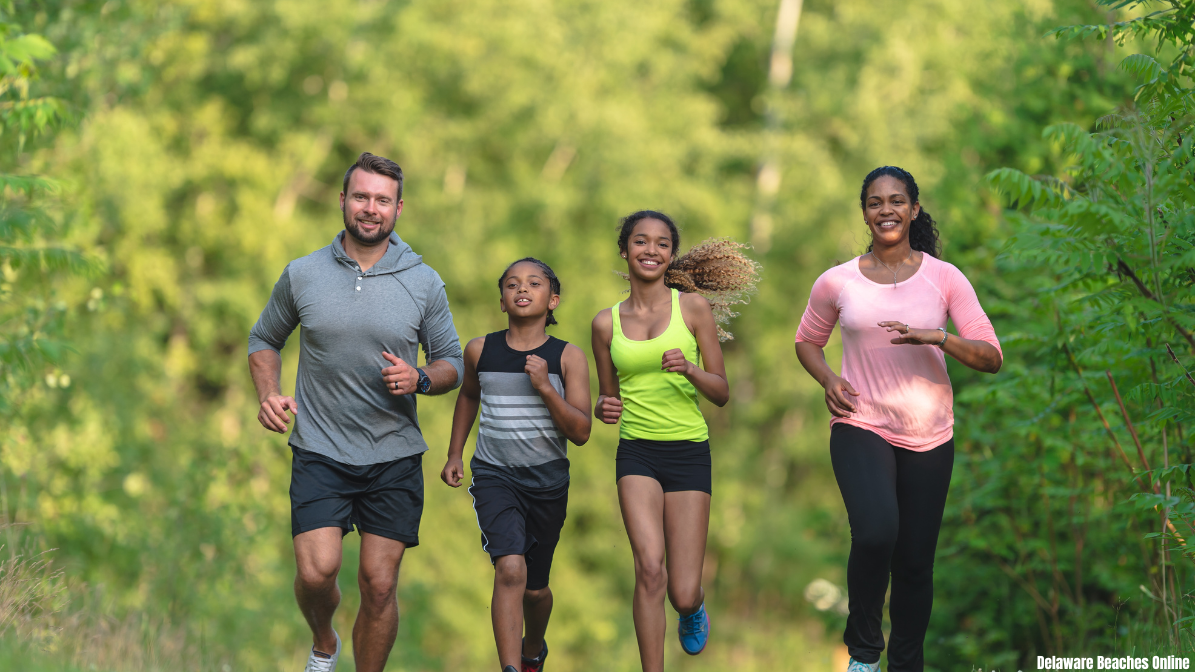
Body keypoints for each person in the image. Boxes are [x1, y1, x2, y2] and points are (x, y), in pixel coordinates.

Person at [247, 152, 464, 672]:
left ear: (398, 208)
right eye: (362, 197)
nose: (371, 208)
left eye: (382, 200)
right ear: (343, 200)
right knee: (318, 572)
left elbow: (451, 362)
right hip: (320, 448)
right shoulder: (303, 274)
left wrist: (421, 379)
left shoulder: (423, 281)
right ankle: (324, 642)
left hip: (393, 455)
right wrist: (269, 392)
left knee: (380, 583)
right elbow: (263, 339)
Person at [793, 166, 1002, 672]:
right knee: (875, 532)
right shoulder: (836, 281)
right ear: (864, 212)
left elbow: (991, 356)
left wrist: (939, 337)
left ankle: (906, 664)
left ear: (912, 209)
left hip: (929, 436)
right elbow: (807, 342)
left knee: (913, 563)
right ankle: (864, 652)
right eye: (874, 202)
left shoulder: (944, 278)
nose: (885, 210)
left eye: (895, 201)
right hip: (859, 422)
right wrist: (827, 379)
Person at [591, 211, 759, 672]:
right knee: (649, 567)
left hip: (687, 451)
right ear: (624, 251)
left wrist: (690, 369)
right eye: (640, 242)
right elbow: (608, 399)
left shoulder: (692, 309)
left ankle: (692, 607)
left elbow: (721, 392)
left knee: (681, 590)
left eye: (662, 243)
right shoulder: (605, 324)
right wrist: (602, 408)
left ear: (671, 255)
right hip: (637, 452)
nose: (651, 250)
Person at [440, 257, 592, 672]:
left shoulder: (568, 358)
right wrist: (455, 453)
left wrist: (545, 387)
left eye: (534, 283)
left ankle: (533, 650)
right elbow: (469, 395)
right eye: (511, 284)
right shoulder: (480, 349)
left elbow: (581, 432)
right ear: (503, 301)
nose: (522, 289)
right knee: (509, 569)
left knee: (536, 590)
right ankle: (508, 668)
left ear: (553, 300)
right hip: (494, 475)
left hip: (547, 484)